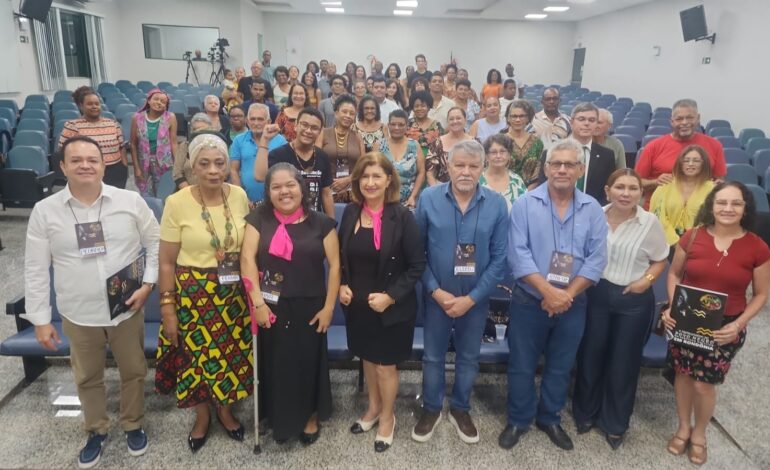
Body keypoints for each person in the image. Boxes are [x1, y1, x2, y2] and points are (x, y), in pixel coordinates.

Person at [24, 136, 159, 468]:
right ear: (63, 166)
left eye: (92, 159)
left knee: (133, 370)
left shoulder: (130, 201)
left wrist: (148, 284)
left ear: (104, 165)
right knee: (87, 376)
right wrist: (41, 319)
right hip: (78, 311)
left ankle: (133, 424)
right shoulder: (45, 211)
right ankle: (96, 429)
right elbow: (36, 267)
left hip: (127, 307)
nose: (85, 165)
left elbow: (156, 242)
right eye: (76, 160)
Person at [500, 139, 607, 452]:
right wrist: (548, 292)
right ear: (545, 168)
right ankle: (519, 419)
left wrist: (566, 295)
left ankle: (549, 418)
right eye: (556, 163)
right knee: (521, 363)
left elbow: (597, 259)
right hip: (528, 301)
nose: (562, 169)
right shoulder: (525, 204)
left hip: (574, 303)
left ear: (580, 169)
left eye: (569, 164)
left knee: (561, 364)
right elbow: (517, 254)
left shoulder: (593, 210)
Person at [661, 182, 770, 465]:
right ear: (711, 205)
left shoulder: (757, 247)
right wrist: (672, 305)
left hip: (726, 326)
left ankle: (699, 434)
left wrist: (739, 325)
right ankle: (683, 427)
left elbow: (761, 295)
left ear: (745, 208)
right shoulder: (693, 236)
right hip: (685, 318)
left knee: (703, 385)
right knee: (683, 375)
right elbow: (674, 275)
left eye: (736, 203)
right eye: (722, 202)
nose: (727, 209)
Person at [155, 133, 251, 453]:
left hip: (232, 295)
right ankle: (201, 416)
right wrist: (168, 308)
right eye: (204, 163)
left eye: (219, 163)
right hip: (192, 297)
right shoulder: (176, 202)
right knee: (195, 360)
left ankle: (225, 410)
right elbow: (167, 262)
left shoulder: (238, 195)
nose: (213, 170)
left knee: (229, 357)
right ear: (193, 166)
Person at [412, 140, 509, 444]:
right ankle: (431, 408)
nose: (466, 171)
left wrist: (472, 298)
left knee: (469, 357)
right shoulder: (428, 198)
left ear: (482, 168)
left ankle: (460, 408)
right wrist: (435, 291)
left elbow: (499, 259)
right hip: (436, 296)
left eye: (473, 166)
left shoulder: (496, 204)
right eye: (459, 165)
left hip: (475, 299)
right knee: (432, 357)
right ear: (449, 167)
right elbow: (417, 253)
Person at [240, 163, 340, 444]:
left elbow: (334, 267)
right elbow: (247, 260)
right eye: (276, 186)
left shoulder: (321, 222)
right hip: (270, 307)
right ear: (268, 191)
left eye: (290, 185)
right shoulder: (259, 218)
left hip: (311, 307)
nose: (284, 191)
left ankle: (310, 415)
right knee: (277, 364)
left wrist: (329, 307)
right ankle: (279, 416)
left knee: (307, 364)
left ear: (302, 187)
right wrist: (258, 303)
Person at [572, 169, 669, 450]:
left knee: (623, 362)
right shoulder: (593, 215)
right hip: (596, 293)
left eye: (633, 188)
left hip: (633, 299)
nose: (626, 193)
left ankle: (615, 422)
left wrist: (645, 282)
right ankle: (585, 413)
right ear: (607, 190)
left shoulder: (649, 222)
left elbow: (661, 260)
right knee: (590, 355)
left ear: (641, 193)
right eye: (620, 187)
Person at [338, 153, 426, 452]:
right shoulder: (350, 213)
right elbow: (341, 257)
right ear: (357, 181)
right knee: (366, 359)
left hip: (392, 308)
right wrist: (342, 285)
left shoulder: (402, 216)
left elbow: (417, 266)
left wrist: (390, 296)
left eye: (377, 176)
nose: (371, 182)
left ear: (389, 179)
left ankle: (388, 418)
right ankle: (373, 409)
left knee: (385, 367)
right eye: (365, 176)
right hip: (358, 307)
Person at [635, 99, 726, 209]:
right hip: (659, 211)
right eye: (679, 119)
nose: (684, 122)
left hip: (700, 211)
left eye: (689, 118)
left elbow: (719, 180)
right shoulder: (653, 146)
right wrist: (656, 182)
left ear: (698, 119)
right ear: (672, 121)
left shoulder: (715, 145)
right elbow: (637, 182)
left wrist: (718, 185)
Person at [257, 107, 335, 217]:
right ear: (296, 126)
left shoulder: (322, 156)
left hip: (313, 223)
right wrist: (264, 140)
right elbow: (260, 177)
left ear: (319, 132)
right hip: (283, 220)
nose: (308, 131)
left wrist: (331, 225)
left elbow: (326, 194)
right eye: (304, 125)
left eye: (314, 128)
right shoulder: (279, 154)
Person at [59, 86, 128, 188]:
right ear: (81, 106)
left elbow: (121, 148)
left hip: (114, 171)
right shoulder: (72, 126)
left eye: (97, 104)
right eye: (90, 104)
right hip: (88, 171)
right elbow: (63, 151)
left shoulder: (113, 124)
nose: (94, 106)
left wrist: (124, 168)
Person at [650, 145, 714, 249]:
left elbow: (712, 219)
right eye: (686, 160)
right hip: (665, 242)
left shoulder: (713, 190)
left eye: (696, 161)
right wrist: (675, 242)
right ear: (680, 163)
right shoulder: (665, 184)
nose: (690, 164)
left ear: (704, 164)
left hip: (700, 244)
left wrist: (693, 242)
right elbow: (657, 216)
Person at [230, 103, 288, 204]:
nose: (256, 123)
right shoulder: (238, 140)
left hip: (275, 201)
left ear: (269, 121)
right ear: (247, 121)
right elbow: (234, 170)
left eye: (260, 119)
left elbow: (287, 171)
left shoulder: (281, 141)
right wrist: (242, 197)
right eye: (252, 119)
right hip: (247, 201)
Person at [561, 103, 617, 205]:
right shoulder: (553, 151)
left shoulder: (607, 155)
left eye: (592, 120)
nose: (587, 123)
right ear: (571, 122)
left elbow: (608, 190)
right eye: (581, 119)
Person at [317, 95, 365, 203]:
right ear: (336, 113)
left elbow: (363, 164)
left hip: (353, 190)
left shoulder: (358, 136)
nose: (348, 116)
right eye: (344, 112)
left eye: (352, 113)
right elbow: (316, 160)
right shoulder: (323, 133)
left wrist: (349, 179)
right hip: (327, 188)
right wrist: (329, 181)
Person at [130, 88, 178, 198]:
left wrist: (177, 164)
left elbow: (174, 143)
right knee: (145, 193)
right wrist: (136, 168)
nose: (159, 103)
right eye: (156, 99)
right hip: (143, 162)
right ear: (149, 100)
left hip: (164, 162)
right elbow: (133, 144)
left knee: (164, 192)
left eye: (163, 102)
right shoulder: (137, 118)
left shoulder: (170, 117)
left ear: (166, 106)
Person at [379, 109, 425, 208]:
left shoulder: (414, 145)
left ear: (407, 126)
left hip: (409, 201)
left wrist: (413, 196)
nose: (397, 128)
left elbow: (421, 172)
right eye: (393, 124)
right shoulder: (379, 146)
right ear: (388, 125)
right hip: (383, 200)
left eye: (401, 125)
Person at [426, 107, 472, 186]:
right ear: (447, 121)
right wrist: (435, 192)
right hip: (442, 188)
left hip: (469, 187)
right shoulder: (437, 143)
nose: (455, 121)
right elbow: (430, 172)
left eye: (458, 118)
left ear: (465, 120)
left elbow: (482, 169)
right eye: (451, 119)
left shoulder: (474, 143)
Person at [503, 100, 543, 189]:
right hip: (503, 190)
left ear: (527, 118)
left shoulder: (537, 143)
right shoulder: (500, 141)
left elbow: (537, 173)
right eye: (514, 116)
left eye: (521, 116)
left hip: (530, 192)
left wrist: (526, 194)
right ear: (508, 118)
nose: (518, 119)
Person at [479, 134, 526, 210]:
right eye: (493, 152)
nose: (498, 156)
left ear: (509, 155)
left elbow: (525, 208)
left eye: (502, 151)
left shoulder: (517, 180)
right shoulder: (477, 180)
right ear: (486, 156)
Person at [172, 113, 212, 190]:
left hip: (212, 190)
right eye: (196, 129)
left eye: (203, 129)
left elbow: (224, 172)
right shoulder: (184, 146)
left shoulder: (216, 145)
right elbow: (177, 173)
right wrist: (191, 193)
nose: (199, 132)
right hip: (186, 191)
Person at [406, 91, 444, 159]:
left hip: (433, 163)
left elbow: (441, 146)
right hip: (410, 162)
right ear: (413, 108)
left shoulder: (436, 125)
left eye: (423, 106)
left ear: (429, 107)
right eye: (416, 106)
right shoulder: (407, 124)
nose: (419, 109)